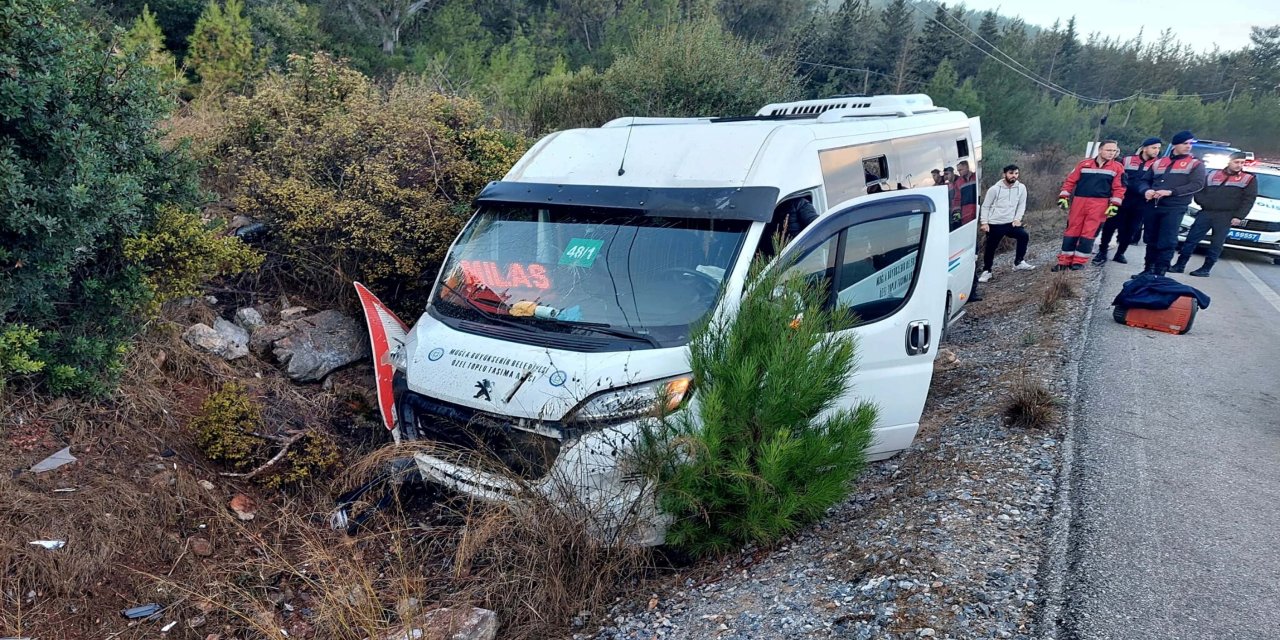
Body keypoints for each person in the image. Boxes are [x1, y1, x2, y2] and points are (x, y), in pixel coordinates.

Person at [1168, 151, 1257, 277]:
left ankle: (1206, 269)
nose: (1239, 165)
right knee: (1191, 239)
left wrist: (1239, 216)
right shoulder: (1212, 174)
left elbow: (1249, 200)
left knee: (1216, 243)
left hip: (1226, 215)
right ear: (1229, 162)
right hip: (1206, 212)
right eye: (1236, 162)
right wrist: (1204, 203)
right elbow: (1199, 190)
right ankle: (1180, 265)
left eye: (1242, 163)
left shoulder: (1248, 179)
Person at [1133, 130, 1208, 278]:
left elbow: (1197, 185)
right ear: (1175, 145)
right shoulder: (1159, 162)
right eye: (1185, 143)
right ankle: (1148, 270)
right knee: (1151, 239)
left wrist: (1171, 192)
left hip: (1174, 207)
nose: (1188, 146)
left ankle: (1160, 273)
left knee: (1167, 241)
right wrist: (1146, 191)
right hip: (1153, 205)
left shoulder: (1195, 164)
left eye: (1190, 144)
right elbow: (1143, 180)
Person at [1053, 140, 1125, 271]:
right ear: (1100, 150)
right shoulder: (1084, 164)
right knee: (1071, 230)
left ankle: (1079, 262)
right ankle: (1064, 262)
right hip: (1079, 201)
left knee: (1089, 232)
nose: (1112, 153)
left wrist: (1114, 204)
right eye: (1109, 150)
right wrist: (1064, 196)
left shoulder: (1117, 168)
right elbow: (1070, 180)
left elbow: (1119, 188)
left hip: (1100, 204)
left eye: (1114, 151)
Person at [1094, 137, 1161, 265]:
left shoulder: (1158, 164)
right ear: (1144, 148)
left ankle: (1120, 253)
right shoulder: (1127, 160)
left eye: (1158, 148)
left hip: (1141, 202)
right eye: (1154, 147)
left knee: (1131, 230)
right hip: (1121, 199)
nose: (1156, 150)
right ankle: (1102, 252)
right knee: (1110, 226)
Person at [977, 164, 1035, 282]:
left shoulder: (1021, 188)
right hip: (995, 223)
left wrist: (1017, 219)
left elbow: (1021, 205)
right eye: (1011, 173)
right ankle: (987, 271)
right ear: (1004, 174)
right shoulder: (994, 189)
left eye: (1016, 173)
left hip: (1011, 223)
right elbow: (986, 206)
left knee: (1023, 235)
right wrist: (984, 222)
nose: (1014, 176)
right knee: (991, 247)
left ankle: (1018, 262)